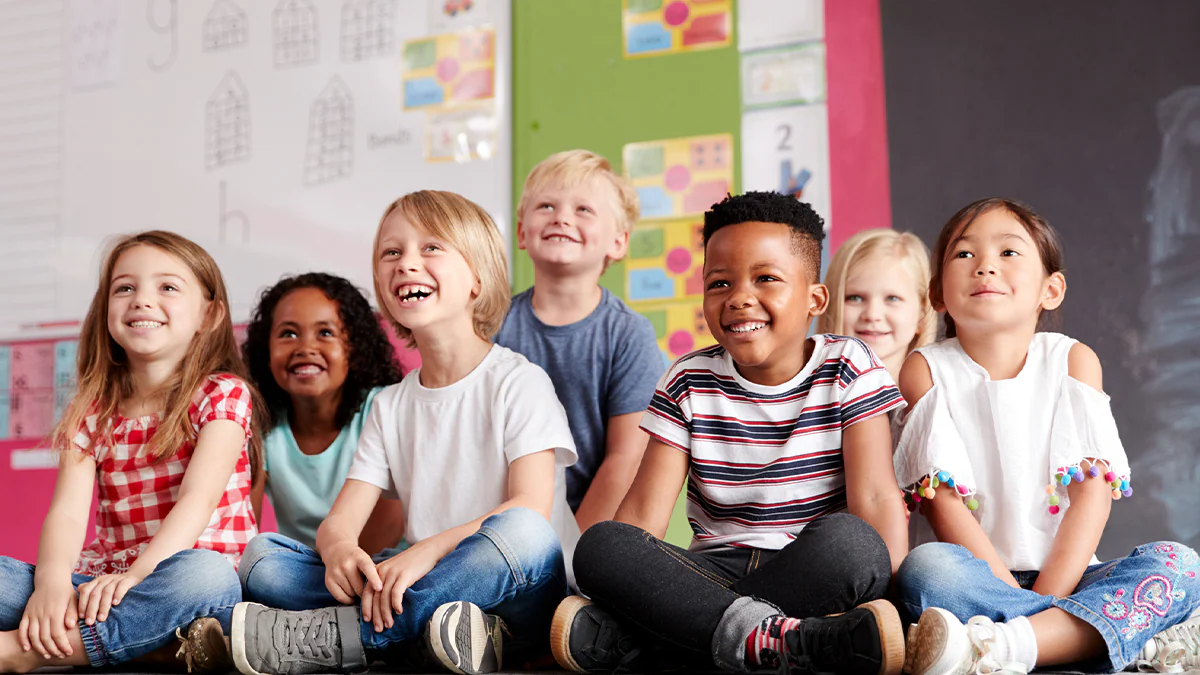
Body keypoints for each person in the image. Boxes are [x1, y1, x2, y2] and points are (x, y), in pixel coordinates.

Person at [551, 192, 909, 675]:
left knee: (854, 544)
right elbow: (641, 517)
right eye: (719, 282)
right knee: (601, 545)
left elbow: (877, 499)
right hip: (707, 570)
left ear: (814, 299)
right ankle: (786, 641)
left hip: (809, 566)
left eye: (766, 279)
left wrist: (900, 605)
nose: (739, 297)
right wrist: (620, 574)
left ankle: (659, 643)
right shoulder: (687, 379)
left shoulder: (849, 365)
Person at [232, 191, 578, 675]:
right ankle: (429, 634)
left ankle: (350, 638)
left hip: (519, 591)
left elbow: (530, 510)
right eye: (391, 252)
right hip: (425, 586)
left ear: (478, 278)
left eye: (430, 248)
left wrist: (426, 552)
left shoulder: (518, 381)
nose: (406, 264)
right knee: (262, 559)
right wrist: (340, 552)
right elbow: (340, 523)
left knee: (522, 532)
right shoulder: (390, 404)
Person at [894, 198, 1200, 674]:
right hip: (975, 582)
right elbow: (943, 503)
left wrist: (1049, 596)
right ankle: (1093, 643)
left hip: (1072, 578)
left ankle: (1005, 647)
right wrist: (1025, 603)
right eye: (964, 255)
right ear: (937, 294)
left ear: (1051, 289)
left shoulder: (1073, 360)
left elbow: (1092, 496)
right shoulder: (925, 369)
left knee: (1180, 564)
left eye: (1009, 253)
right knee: (927, 569)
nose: (985, 267)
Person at [0, 231, 265, 673]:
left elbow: (196, 502)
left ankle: (24, 652)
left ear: (210, 314)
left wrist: (140, 576)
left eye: (167, 287)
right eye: (125, 287)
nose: (142, 300)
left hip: (186, 585)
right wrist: (51, 583)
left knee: (204, 576)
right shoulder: (91, 409)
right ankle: (153, 643)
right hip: (104, 586)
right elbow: (66, 513)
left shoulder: (222, 395)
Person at [497, 150, 664, 533]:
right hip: (504, 523)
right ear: (522, 232)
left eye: (584, 210)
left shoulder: (627, 334)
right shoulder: (492, 324)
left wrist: (569, 556)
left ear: (618, 242)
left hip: (588, 530)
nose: (562, 217)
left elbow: (625, 459)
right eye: (546, 205)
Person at [238, 273, 405, 603]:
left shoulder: (383, 407)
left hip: (381, 565)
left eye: (325, 333)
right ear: (265, 349)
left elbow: (389, 526)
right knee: (260, 564)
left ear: (354, 348)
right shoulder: (260, 425)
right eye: (288, 334)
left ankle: (326, 619)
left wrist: (346, 570)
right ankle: (342, 622)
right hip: (307, 572)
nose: (305, 348)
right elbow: (246, 525)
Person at [817, 228, 935, 382]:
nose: (872, 315)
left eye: (892, 298)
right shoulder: (806, 399)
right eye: (855, 298)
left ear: (922, 314)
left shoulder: (942, 402)